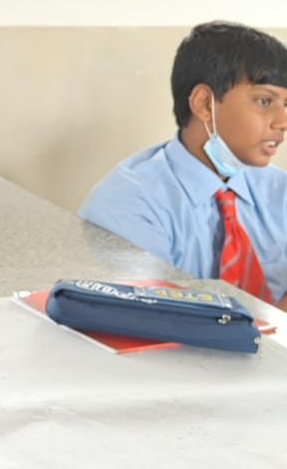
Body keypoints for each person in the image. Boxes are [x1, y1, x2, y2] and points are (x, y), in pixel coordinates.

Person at [80, 21, 287, 309]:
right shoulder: (127, 203)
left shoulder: (281, 191)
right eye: (265, 101)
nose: (282, 122)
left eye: (286, 104)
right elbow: (155, 316)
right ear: (204, 104)